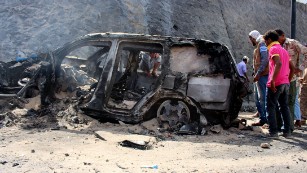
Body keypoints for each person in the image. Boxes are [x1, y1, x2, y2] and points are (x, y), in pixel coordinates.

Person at [263, 30, 294, 138]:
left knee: (270, 107)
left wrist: (272, 80)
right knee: (284, 107)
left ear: (269, 40)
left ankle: (273, 132)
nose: (265, 43)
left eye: (265, 41)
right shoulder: (284, 50)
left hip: (276, 83)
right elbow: (293, 68)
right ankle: (287, 131)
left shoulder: (273, 48)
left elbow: (278, 63)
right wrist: (287, 80)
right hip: (285, 83)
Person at [275, 29, 307, 130]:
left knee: (290, 102)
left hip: (292, 78)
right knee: (281, 103)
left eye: (278, 38)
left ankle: (289, 127)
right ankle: (283, 125)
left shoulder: (293, 43)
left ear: (283, 36)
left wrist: (301, 68)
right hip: (280, 78)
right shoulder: (277, 45)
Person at [249, 30, 269, 126]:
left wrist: (258, 73)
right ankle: (262, 118)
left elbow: (265, 59)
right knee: (258, 98)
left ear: (252, 38)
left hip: (263, 75)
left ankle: (265, 119)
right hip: (260, 75)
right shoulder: (260, 44)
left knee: (263, 98)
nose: (250, 42)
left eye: (250, 39)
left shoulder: (262, 44)